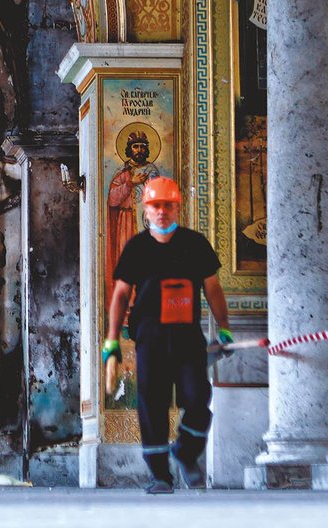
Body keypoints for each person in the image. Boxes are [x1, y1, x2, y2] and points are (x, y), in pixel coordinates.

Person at [101, 176, 233, 494]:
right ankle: (160, 476)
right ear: (146, 210)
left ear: (177, 208)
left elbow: (213, 288)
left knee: (199, 398)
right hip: (151, 340)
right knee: (152, 405)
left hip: (188, 339)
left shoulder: (195, 244)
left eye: (168, 206)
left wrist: (225, 328)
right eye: (156, 206)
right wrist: (112, 339)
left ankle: (185, 453)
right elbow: (120, 295)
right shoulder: (137, 249)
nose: (162, 212)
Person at [106, 130, 160, 298]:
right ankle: (127, 306)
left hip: (146, 222)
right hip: (126, 222)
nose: (139, 150)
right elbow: (113, 200)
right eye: (135, 146)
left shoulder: (151, 170)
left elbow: (157, 195)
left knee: (148, 261)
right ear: (130, 149)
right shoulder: (122, 171)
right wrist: (130, 183)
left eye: (142, 147)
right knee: (128, 263)